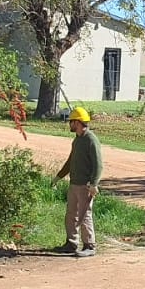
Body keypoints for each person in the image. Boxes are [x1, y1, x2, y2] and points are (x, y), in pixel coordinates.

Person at [53, 106, 102, 257]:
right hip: (74, 184)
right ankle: (71, 243)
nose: (69, 124)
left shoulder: (90, 140)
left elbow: (98, 165)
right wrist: (58, 176)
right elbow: (70, 161)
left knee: (84, 214)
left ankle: (89, 245)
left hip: (85, 186)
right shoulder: (77, 140)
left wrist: (94, 184)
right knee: (71, 214)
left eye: (71, 121)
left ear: (78, 122)